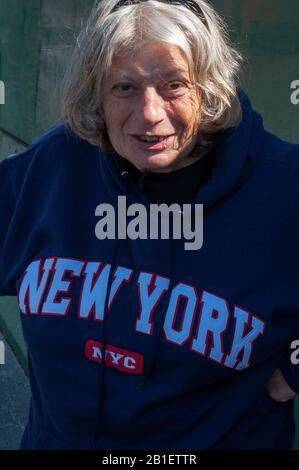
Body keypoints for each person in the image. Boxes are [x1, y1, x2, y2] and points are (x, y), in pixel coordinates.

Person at [0, 0, 298, 450]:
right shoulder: (54, 168)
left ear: (210, 87)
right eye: (124, 87)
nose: (150, 113)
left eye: (174, 85)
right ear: (96, 94)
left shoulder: (283, 186)